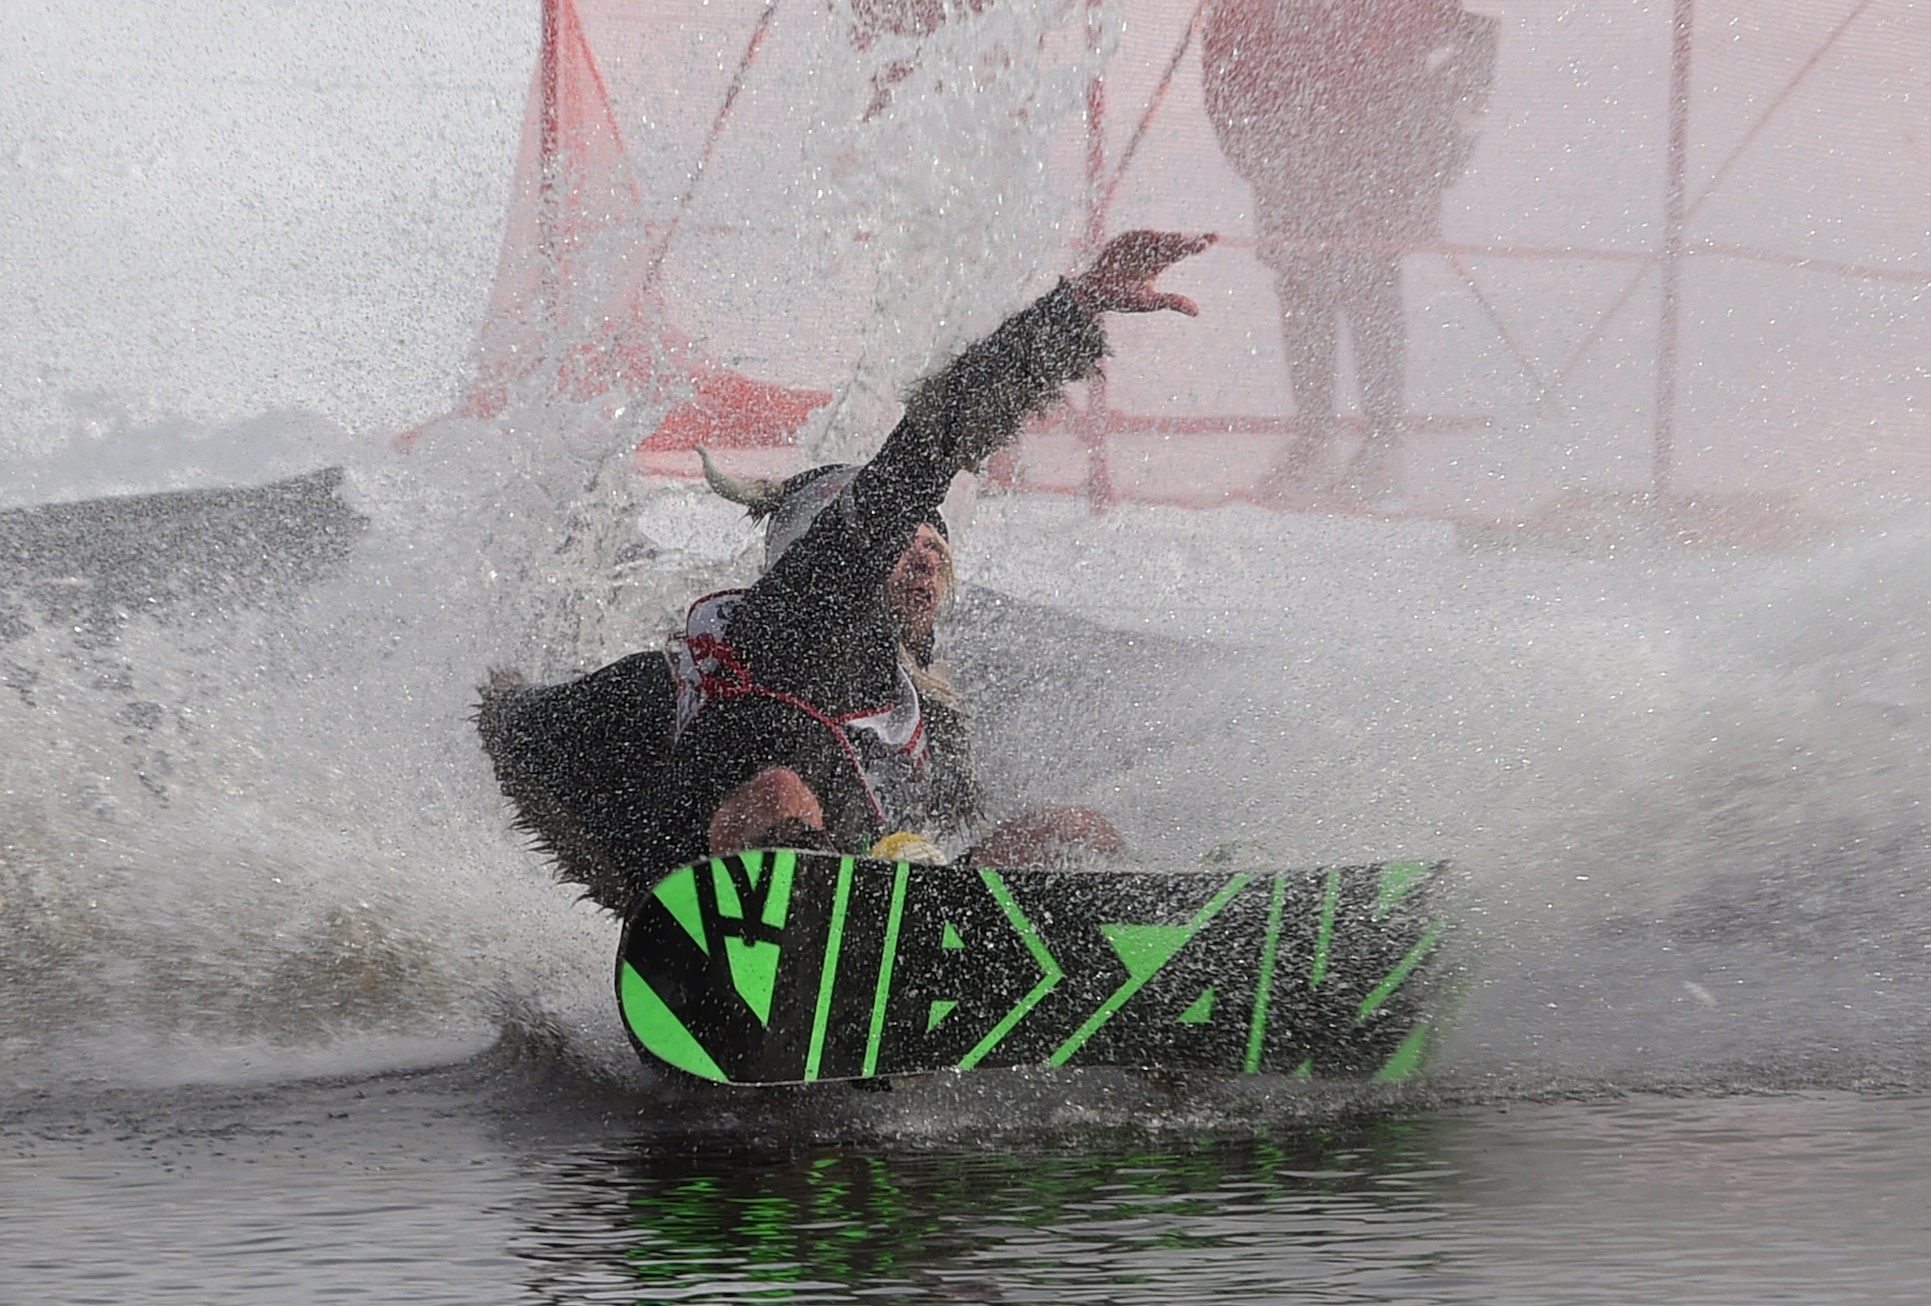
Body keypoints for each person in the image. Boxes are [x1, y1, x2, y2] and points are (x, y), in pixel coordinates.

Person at [478, 230, 1212, 916]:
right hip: (731, 916)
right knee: (778, 794)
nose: (926, 552)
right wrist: (1072, 310)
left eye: (936, 541)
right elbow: (933, 439)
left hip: (881, 933)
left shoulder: (926, 726)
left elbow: (950, 851)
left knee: (1072, 832)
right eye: (904, 536)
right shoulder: (796, 610)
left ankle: (1161, 938)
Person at [1202, 0, 1496, 505]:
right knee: (1303, 291)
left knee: (1370, 285)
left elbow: (1473, 40)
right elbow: (1222, 65)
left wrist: (1435, 147)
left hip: (1370, 162)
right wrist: (1256, 151)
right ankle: (1316, 438)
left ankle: (1380, 443)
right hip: (1294, 163)